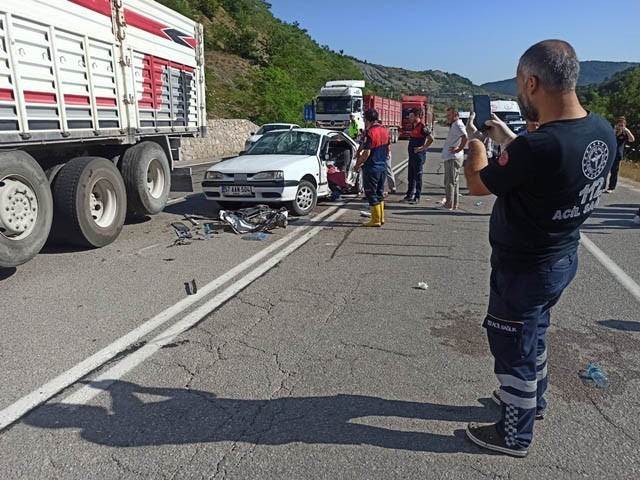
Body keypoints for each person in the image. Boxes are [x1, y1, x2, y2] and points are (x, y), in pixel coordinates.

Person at [463, 39, 615, 457]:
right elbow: (551, 164)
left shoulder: (537, 146)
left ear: (532, 83)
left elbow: (478, 184)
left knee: (513, 347)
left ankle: (514, 434)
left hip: (524, 269)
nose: (519, 92)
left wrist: (476, 145)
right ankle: (534, 400)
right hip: (561, 257)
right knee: (534, 335)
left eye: (518, 84)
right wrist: (509, 138)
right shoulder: (600, 130)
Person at [354, 109, 390, 227]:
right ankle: (381, 218)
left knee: (371, 194)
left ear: (367, 119)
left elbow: (367, 152)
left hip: (372, 168)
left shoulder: (370, 132)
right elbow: (388, 149)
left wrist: (358, 164)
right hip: (382, 167)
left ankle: (375, 220)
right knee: (379, 193)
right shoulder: (384, 130)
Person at [402, 108, 434, 204]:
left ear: (418, 116)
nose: (410, 118)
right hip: (412, 155)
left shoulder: (422, 127)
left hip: (418, 156)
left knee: (418, 177)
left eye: (412, 116)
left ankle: (417, 197)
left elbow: (431, 139)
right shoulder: (413, 126)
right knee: (410, 176)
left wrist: (422, 148)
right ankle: (409, 195)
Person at [441, 108, 467, 210]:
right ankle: (454, 204)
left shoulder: (457, 124)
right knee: (454, 182)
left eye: (449, 115)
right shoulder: (455, 125)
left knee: (449, 182)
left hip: (452, 158)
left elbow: (465, 137)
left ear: (455, 115)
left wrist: (459, 148)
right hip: (451, 156)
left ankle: (449, 204)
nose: (448, 117)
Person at [604, 116, 635, 193]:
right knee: (605, 170)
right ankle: (602, 186)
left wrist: (627, 131)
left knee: (614, 171)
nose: (620, 127)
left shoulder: (624, 134)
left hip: (617, 155)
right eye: (619, 125)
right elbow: (607, 138)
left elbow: (632, 140)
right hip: (609, 153)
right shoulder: (612, 131)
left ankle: (611, 187)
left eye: (622, 125)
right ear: (616, 125)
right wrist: (614, 131)